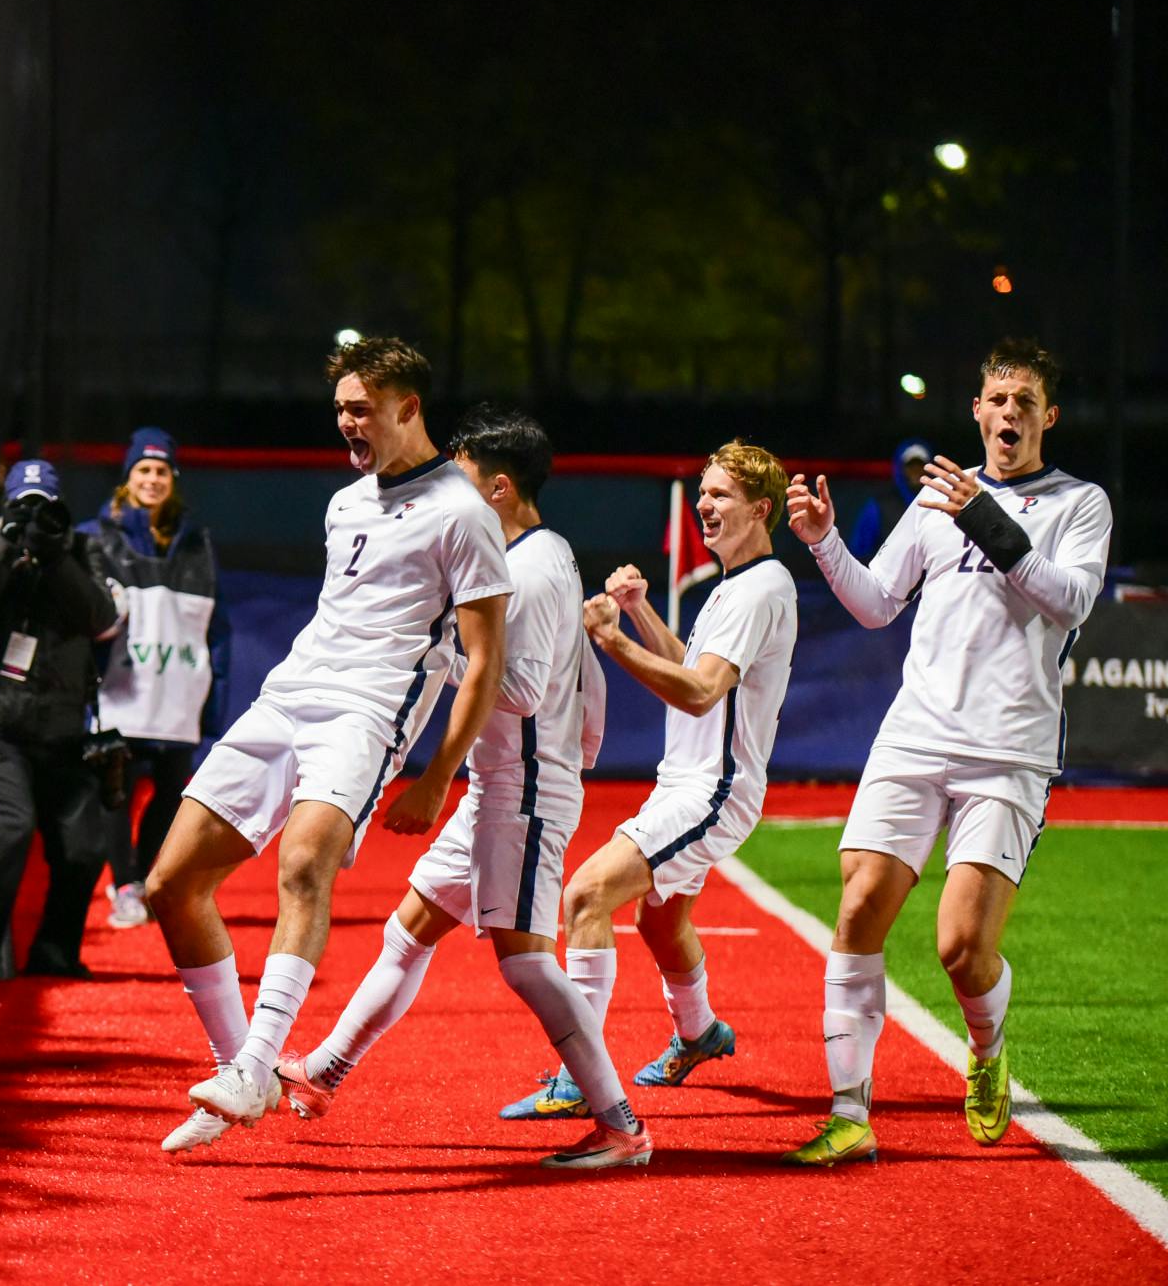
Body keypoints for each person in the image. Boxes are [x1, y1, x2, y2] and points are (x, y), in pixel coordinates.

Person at [147, 336, 510, 1153]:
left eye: (361, 409)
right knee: (172, 882)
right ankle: (242, 1071)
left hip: (367, 713)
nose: (346, 422)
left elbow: (485, 661)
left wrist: (437, 776)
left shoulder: (463, 511)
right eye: (340, 407)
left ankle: (252, 1068)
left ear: (408, 408)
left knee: (305, 862)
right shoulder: (346, 499)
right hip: (290, 694)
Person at [272, 407, 650, 1168]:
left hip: (523, 787)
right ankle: (323, 1071)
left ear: (500, 488)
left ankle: (621, 1125)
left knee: (526, 961)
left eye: (464, 476)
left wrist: (448, 646)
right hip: (507, 783)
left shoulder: (532, 565)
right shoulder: (540, 555)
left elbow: (519, 688)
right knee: (408, 930)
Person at [781, 340, 1110, 1167]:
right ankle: (850, 1110)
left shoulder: (1080, 503)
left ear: (1048, 417)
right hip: (916, 732)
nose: (1010, 414)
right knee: (857, 907)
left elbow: (1069, 600)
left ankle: (988, 1045)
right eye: (998, 398)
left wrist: (983, 517)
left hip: (1008, 750)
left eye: (1026, 401)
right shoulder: (937, 500)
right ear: (976, 409)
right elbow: (876, 604)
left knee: (961, 947)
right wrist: (824, 543)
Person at [499, 440, 797, 1124]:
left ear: (762, 508)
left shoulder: (760, 589)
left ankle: (582, 1076)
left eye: (721, 495)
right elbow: (692, 668)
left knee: (586, 894)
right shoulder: (737, 584)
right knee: (660, 921)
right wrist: (639, 612)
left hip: (713, 791)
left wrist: (612, 640)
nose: (705, 504)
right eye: (703, 493)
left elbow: (697, 693)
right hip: (690, 783)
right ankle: (699, 1034)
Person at [0, 460, 120, 983]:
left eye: (44, 507)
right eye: (23, 506)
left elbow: (101, 620)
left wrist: (57, 558)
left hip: (62, 730)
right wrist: (6, 541)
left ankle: (55, 952)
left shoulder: (81, 551)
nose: (35, 517)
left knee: (84, 844)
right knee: (10, 829)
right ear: (7, 506)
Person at [79, 427, 230, 930]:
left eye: (161, 470)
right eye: (142, 470)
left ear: (173, 478)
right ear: (127, 478)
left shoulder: (196, 540)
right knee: (116, 792)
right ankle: (123, 883)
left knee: (170, 793)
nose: (152, 478)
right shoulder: (96, 536)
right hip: (121, 690)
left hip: (177, 692)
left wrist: (214, 696)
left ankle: (142, 880)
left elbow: (215, 622)